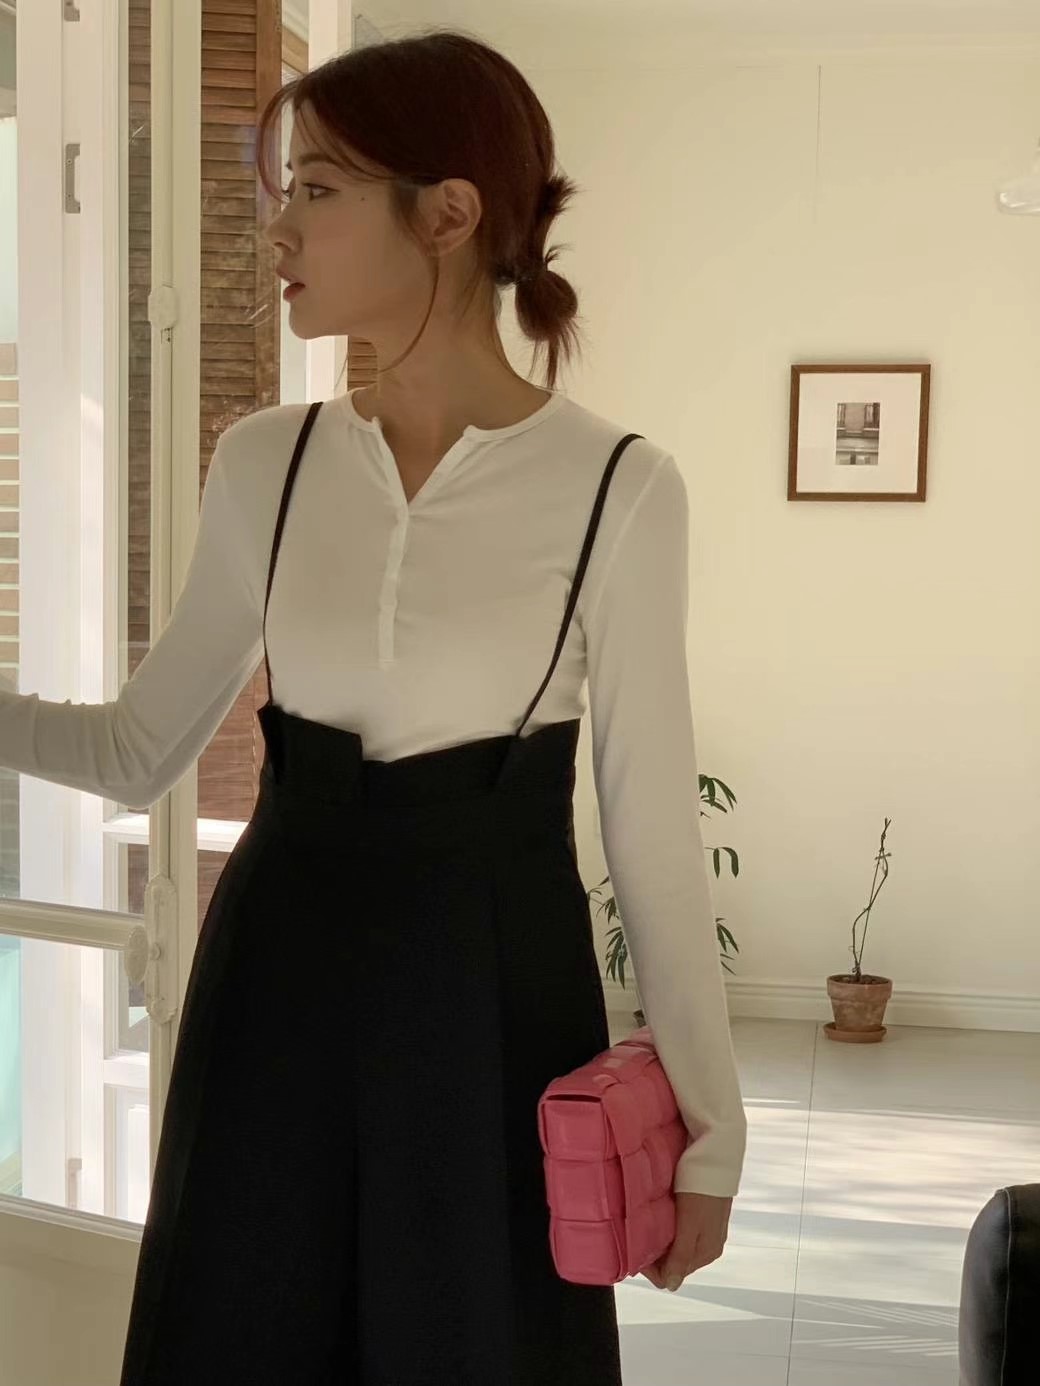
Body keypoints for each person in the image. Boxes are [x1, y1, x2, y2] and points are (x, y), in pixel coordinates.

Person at [0, 28, 747, 1385]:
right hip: (275, 981)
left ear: (448, 213)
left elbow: (650, 837)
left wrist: (711, 1133)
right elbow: (136, 748)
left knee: (471, 1343)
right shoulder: (266, 462)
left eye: (318, 190)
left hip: (492, 1001)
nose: (278, 227)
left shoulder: (617, 488)